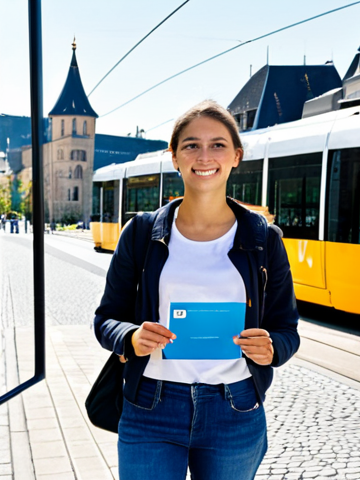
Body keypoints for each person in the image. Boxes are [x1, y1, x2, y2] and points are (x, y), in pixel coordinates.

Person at [93, 100, 300, 480]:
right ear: (174, 156)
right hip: (151, 407)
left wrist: (272, 349)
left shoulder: (263, 240)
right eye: (191, 145)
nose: (204, 156)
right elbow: (106, 319)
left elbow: (287, 329)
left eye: (218, 144)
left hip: (234, 409)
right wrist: (131, 338)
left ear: (236, 156)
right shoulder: (141, 233)